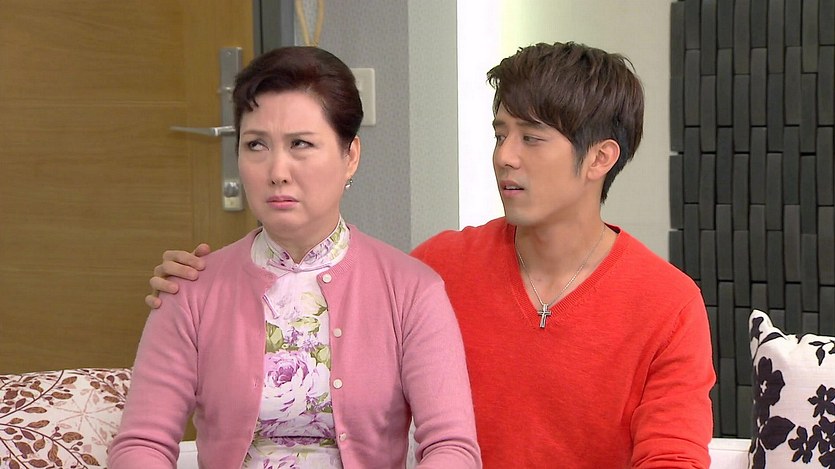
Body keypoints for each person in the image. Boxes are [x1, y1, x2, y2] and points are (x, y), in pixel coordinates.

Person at [146, 42, 715, 468]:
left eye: (531, 137)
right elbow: (339, 295)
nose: (504, 157)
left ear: (599, 159)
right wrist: (199, 287)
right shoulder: (439, 268)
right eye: (500, 134)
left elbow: (673, 458)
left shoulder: (667, 303)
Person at [109, 46, 481, 469]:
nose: (277, 171)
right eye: (256, 145)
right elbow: (142, 443)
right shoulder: (192, 288)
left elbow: (452, 447)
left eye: (300, 144)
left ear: (350, 156)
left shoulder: (412, 290)